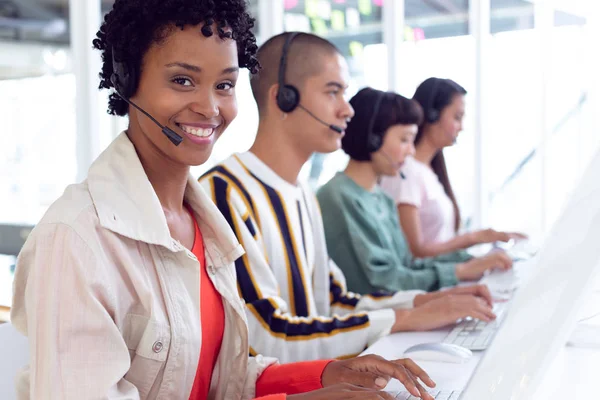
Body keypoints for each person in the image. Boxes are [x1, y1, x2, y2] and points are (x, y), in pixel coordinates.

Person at [9, 2, 436, 399]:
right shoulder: (77, 239)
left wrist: (328, 374)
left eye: (225, 85)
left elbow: (222, 379)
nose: (210, 107)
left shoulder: (205, 222)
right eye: (182, 80)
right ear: (126, 79)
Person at [199, 32, 496, 365]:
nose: (348, 110)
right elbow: (266, 337)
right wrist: (404, 319)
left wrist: (426, 302)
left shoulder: (303, 196)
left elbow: (334, 301)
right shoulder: (225, 193)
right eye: (333, 92)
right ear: (283, 98)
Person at [317, 87, 513, 295]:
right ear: (373, 138)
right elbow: (382, 282)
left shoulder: (381, 199)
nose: (411, 151)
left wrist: (470, 262)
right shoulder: (338, 197)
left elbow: (408, 265)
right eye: (404, 140)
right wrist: (459, 271)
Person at [380, 78, 526, 258]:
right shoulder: (407, 172)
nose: (461, 127)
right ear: (433, 115)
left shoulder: (428, 171)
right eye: (457, 117)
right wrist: (474, 238)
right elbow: (415, 251)